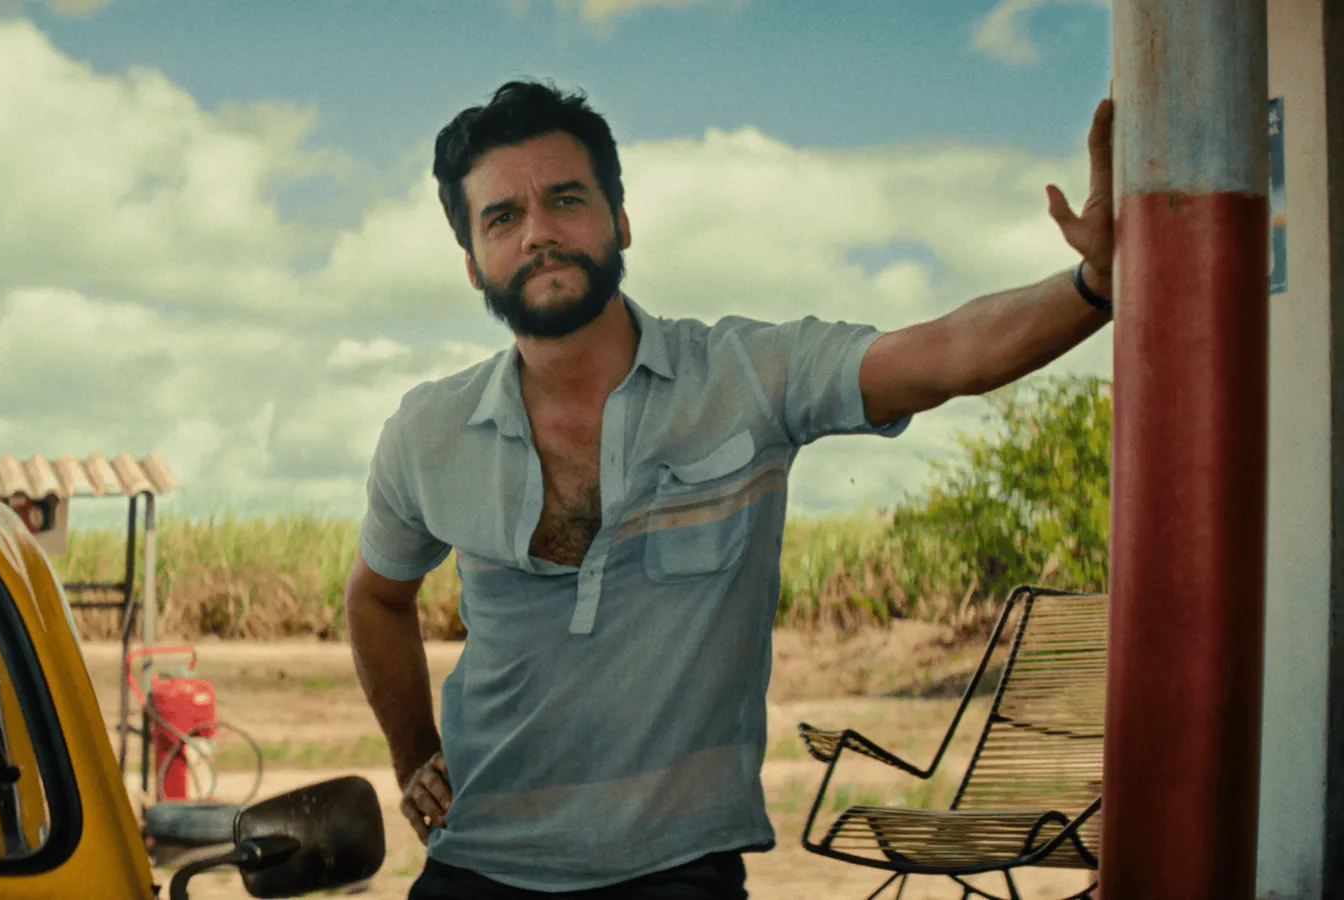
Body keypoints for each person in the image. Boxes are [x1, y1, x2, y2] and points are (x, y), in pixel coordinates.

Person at [344, 79, 1114, 898]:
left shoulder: (748, 378)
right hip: (476, 862)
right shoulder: (427, 432)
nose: (539, 232)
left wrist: (1094, 285)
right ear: (471, 262)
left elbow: (944, 354)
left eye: (566, 199)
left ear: (621, 220)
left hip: (677, 867)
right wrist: (413, 751)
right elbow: (376, 598)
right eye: (502, 216)